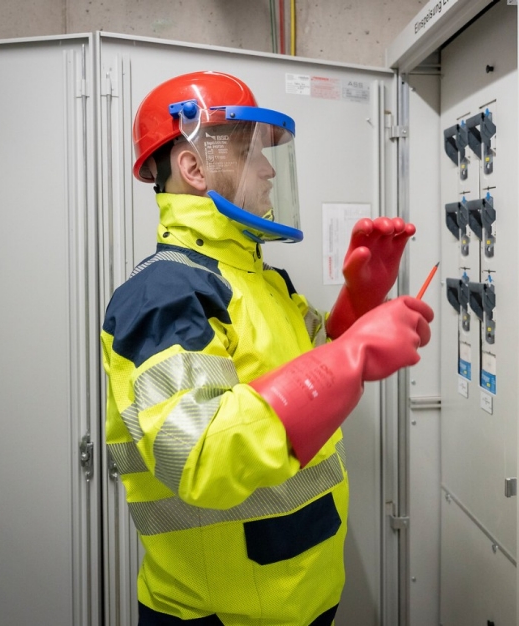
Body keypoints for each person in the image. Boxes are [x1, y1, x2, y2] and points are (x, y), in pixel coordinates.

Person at [100, 71, 434, 626]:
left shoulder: (261, 280)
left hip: (299, 595)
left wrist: (361, 299)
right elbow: (199, 454)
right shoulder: (161, 295)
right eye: (249, 150)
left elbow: (318, 361)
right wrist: (348, 356)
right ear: (194, 167)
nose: (269, 167)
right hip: (217, 614)